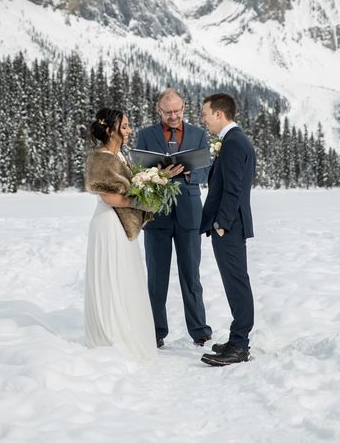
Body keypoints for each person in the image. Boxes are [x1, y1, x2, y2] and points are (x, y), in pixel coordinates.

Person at [135, 89, 212, 348]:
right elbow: (137, 172)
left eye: (177, 111)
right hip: (157, 213)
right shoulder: (145, 135)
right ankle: (155, 331)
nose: (173, 116)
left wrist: (189, 174)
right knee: (156, 276)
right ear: (159, 110)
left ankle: (199, 330)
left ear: (184, 107)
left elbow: (206, 171)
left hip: (189, 213)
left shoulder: (198, 134)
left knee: (191, 275)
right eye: (168, 112)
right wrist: (158, 175)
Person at [84, 107, 157, 360]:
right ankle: (112, 334)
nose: (129, 130)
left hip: (121, 225)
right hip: (108, 224)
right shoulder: (101, 157)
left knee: (125, 277)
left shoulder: (121, 156)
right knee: (111, 277)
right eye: (124, 126)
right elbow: (108, 196)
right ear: (110, 130)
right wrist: (142, 203)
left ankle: (126, 329)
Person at [199, 93, 256, 366]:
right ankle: (236, 339)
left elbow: (233, 189)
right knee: (234, 283)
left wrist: (222, 224)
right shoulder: (234, 140)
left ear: (219, 114)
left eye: (206, 114)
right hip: (230, 225)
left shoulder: (233, 143)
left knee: (237, 284)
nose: (204, 120)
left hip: (229, 227)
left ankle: (240, 345)